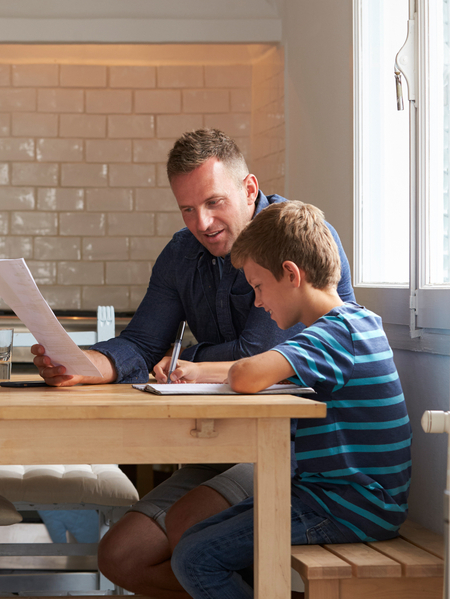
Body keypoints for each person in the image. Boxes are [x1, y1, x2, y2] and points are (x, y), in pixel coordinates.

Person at [30, 129, 356, 597]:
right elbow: (142, 343)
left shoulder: (294, 240)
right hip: (224, 445)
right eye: (187, 209)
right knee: (120, 556)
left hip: (295, 451)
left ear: (249, 189)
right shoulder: (181, 253)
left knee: (192, 530)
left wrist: (184, 359)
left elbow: (255, 357)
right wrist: (81, 365)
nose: (201, 223)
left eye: (213, 202)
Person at [170, 200, 412, 599]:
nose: (258, 302)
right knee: (194, 538)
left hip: (349, 507)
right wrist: (201, 371)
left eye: (258, 287)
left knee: (195, 558)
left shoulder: (334, 335)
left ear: (291, 274)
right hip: (340, 497)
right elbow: (259, 370)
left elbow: (246, 375)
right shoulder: (354, 322)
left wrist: (216, 369)